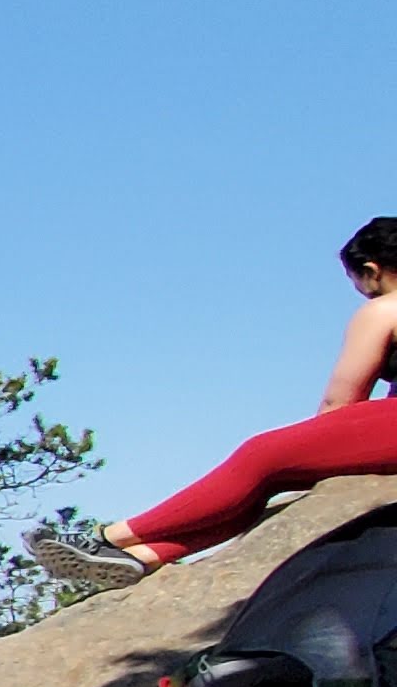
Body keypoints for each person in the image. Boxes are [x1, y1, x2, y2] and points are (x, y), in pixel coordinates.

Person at [33, 217, 397, 589]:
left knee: (262, 457)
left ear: (373, 270)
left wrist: (313, 454)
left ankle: (108, 538)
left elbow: (340, 403)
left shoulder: (385, 308)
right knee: (268, 481)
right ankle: (141, 556)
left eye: (361, 285)